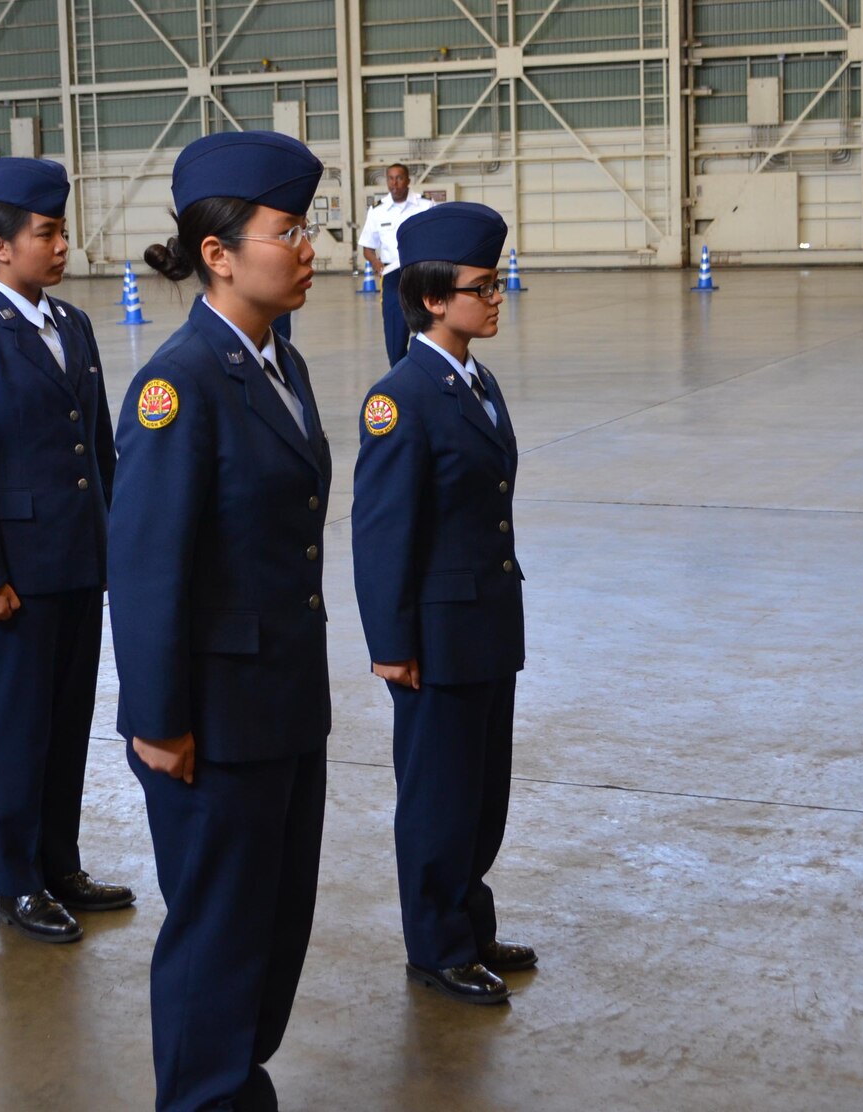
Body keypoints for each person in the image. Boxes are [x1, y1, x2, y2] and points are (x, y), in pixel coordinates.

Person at [110, 130, 331, 1112]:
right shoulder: (179, 384)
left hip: (282, 701)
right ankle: (202, 1093)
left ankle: (234, 1082)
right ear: (218, 251)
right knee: (218, 932)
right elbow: (147, 565)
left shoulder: (282, 365)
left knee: (273, 922)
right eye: (288, 230)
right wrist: (156, 720)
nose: (308, 246)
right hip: (213, 718)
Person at [0, 157, 130, 945]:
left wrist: (113, 544)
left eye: (59, 230)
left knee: (68, 719)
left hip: (77, 561)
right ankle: (12, 878)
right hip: (11, 574)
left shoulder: (70, 325)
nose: (61, 244)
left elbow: (99, 447)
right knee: (15, 728)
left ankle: (59, 862)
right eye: (46, 232)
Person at [351, 202, 534, 1006]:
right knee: (438, 799)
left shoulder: (476, 379)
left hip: (486, 625)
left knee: (482, 793)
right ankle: (436, 944)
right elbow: (383, 532)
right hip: (433, 636)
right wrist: (391, 644)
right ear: (432, 297)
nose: (496, 298)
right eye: (482, 287)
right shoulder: (401, 398)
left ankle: (470, 919)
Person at [356, 162, 432, 366]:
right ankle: (398, 371)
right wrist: (375, 263)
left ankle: (427, 369)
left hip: (420, 273)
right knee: (395, 330)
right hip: (392, 276)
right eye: (390, 178)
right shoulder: (377, 211)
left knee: (429, 326)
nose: (394, 183)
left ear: (407, 180)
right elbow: (367, 247)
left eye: (399, 178)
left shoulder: (425, 206)